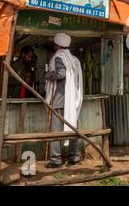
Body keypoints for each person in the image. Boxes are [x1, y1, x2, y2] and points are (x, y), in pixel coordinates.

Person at [45, 33, 83, 168]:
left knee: (56, 130)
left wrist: (47, 75)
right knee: (73, 127)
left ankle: (55, 159)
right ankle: (74, 156)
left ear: (57, 46)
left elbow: (61, 74)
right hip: (73, 100)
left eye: (55, 45)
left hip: (60, 100)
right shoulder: (74, 59)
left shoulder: (59, 57)